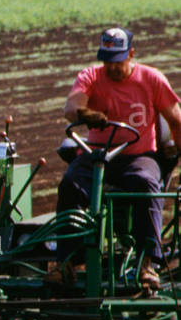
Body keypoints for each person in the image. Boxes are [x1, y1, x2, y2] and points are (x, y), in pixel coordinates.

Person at [56, 27, 181, 292]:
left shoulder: (151, 79)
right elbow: (70, 107)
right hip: (97, 154)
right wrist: (86, 113)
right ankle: (67, 260)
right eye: (106, 60)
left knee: (146, 184)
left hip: (138, 155)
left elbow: (176, 119)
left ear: (131, 54)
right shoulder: (91, 75)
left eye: (117, 61)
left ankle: (148, 263)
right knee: (70, 185)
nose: (111, 67)